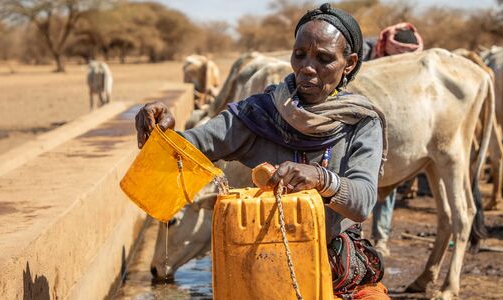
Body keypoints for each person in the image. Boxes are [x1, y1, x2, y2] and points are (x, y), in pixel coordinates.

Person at [134, 3, 388, 299]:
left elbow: (362, 201)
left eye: (324, 58)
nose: (307, 67)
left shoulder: (360, 122)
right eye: (300, 54)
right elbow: (192, 147)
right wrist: (161, 132)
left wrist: (321, 178)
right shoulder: (258, 114)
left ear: (350, 63)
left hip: (333, 267)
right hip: (264, 264)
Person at [364, 22, 424, 257]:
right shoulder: (365, 54)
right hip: (361, 123)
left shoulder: (411, 64)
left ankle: (380, 239)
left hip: (393, 125)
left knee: (387, 179)